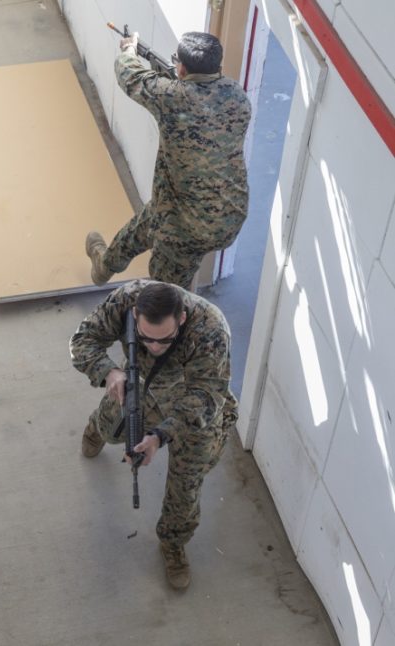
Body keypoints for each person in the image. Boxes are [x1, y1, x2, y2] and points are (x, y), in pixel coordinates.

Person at [69, 279, 238, 590]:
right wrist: (110, 371)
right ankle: (98, 428)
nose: (155, 347)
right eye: (146, 338)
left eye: (165, 340)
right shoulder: (124, 301)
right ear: (135, 315)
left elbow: (208, 396)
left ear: (182, 319)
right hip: (138, 386)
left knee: (188, 481)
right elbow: (82, 340)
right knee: (111, 424)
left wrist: (160, 436)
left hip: (195, 408)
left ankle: (173, 543)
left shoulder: (211, 328)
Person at [86, 31, 251, 289]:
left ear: (182, 68)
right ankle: (104, 266)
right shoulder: (238, 96)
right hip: (228, 214)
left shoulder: (172, 98)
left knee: (166, 295)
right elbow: (199, 108)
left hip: (187, 226)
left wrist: (129, 50)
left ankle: (176, 319)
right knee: (144, 225)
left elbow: (129, 76)